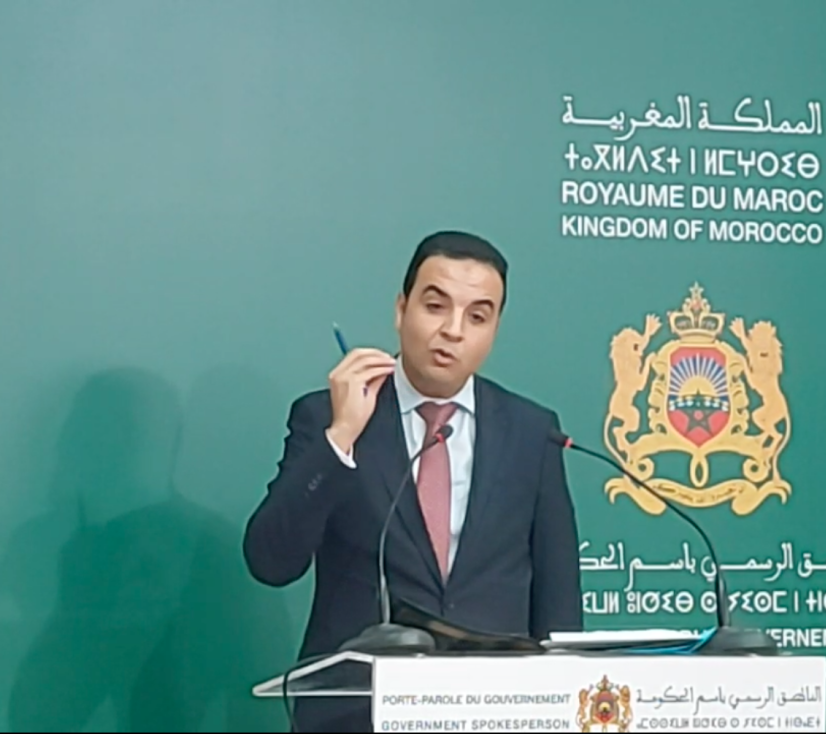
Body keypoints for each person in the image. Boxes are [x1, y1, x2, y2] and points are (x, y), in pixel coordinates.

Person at [243, 231, 583, 732]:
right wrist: (341, 438)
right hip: (358, 716)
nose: (453, 331)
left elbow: (559, 606)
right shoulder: (327, 417)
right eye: (435, 306)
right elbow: (271, 561)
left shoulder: (533, 432)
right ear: (401, 310)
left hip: (496, 715)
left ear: (494, 329)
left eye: (477, 316)